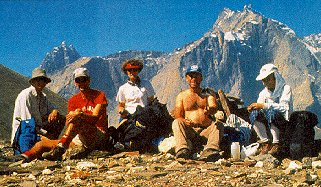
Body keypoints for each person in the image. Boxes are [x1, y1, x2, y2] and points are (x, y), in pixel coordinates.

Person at [37, 67, 109, 161]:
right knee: (42, 144)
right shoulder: (73, 100)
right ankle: (23, 158)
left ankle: (61, 148)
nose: (81, 83)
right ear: (75, 83)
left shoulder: (99, 95)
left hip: (98, 135)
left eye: (84, 79)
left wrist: (80, 115)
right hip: (80, 137)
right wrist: (74, 116)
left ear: (89, 80)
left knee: (78, 119)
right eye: (78, 80)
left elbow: (95, 118)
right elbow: (69, 122)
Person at [172, 64, 224, 162]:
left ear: (201, 78)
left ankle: (210, 150)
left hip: (206, 131)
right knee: (176, 122)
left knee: (219, 125)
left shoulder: (208, 94)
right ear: (187, 78)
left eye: (196, 76)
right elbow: (177, 115)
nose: (193, 79)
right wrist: (185, 121)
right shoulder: (182, 96)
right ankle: (182, 150)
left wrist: (210, 110)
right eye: (191, 76)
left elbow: (213, 106)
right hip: (190, 131)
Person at [11, 67, 65, 147]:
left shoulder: (43, 97)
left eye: (43, 80)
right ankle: (48, 144)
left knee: (60, 118)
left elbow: (53, 108)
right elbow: (27, 124)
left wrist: (54, 111)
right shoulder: (26, 95)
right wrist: (46, 134)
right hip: (25, 133)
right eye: (38, 80)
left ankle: (49, 144)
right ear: (33, 82)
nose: (40, 82)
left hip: (38, 130)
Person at [247, 63, 293, 155]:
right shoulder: (263, 93)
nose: (265, 83)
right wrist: (254, 108)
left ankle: (276, 143)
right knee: (254, 113)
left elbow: (284, 108)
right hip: (268, 124)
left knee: (271, 112)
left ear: (275, 78)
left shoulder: (285, 89)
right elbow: (260, 106)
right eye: (264, 80)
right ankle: (265, 142)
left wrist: (265, 106)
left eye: (267, 79)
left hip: (284, 123)